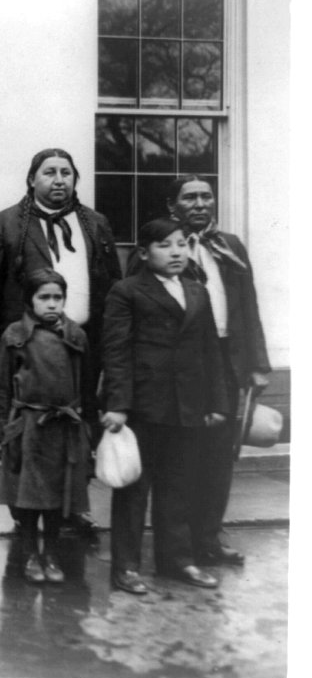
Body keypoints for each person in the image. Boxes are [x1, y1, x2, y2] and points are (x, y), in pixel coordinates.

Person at [0, 148, 121, 537]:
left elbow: (112, 284)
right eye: (49, 172)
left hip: (82, 345)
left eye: (66, 173)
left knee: (78, 424)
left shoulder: (95, 223)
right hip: (28, 347)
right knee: (25, 429)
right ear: (32, 179)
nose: (59, 180)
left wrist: (112, 343)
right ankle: (24, 507)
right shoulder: (7, 224)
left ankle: (72, 503)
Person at [130, 176, 271, 566]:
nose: (200, 204)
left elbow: (248, 306)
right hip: (185, 368)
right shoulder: (161, 249)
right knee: (183, 455)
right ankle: (180, 545)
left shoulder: (230, 247)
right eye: (189, 198)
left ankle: (209, 537)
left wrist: (258, 364)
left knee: (221, 455)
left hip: (228, 362)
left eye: (206, 197)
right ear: (172, 205)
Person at [102, 218, 229, 594]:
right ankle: (125, 566)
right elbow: (117, 351)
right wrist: (118, 404)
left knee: (179, 486)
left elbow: (210, 353)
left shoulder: (197, 291)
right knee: (134, 488)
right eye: (164, 245)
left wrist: (216, 402)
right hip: (144, 406)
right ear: (144, 253)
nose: (176, 252)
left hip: (187, 407)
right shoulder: (127, 292)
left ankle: (177, 561)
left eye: (181, 244)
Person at [0, 269, 93, 584]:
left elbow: (83, 385)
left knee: (58, 499)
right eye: (43, 297)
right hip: (28, 428)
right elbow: (3, 390)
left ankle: (52, 554)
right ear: (30, 300)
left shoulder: (75, 335)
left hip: (64, 428)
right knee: (29, 498)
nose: (51, 304)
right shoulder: (15, 335)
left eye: (57, 298)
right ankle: (31, 554)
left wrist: (85, 428)